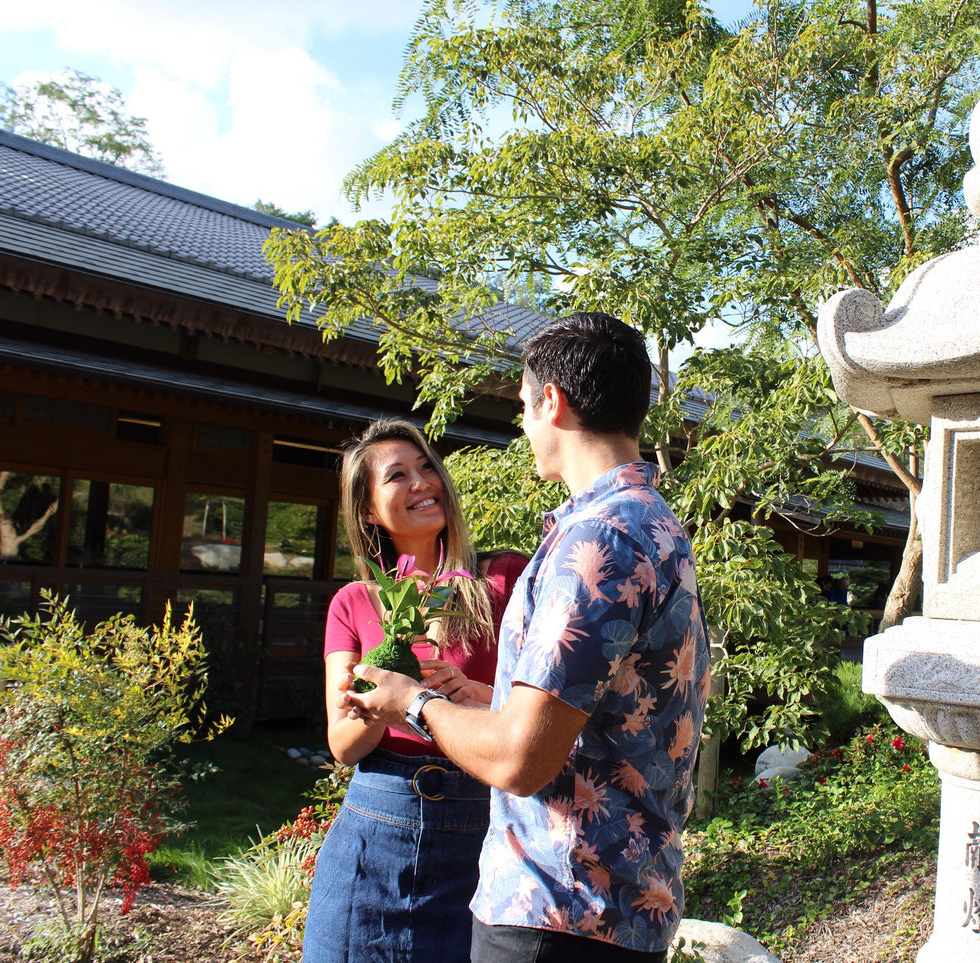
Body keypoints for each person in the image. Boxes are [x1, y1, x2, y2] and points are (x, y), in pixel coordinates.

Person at [345, 313, 712, 962]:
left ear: (553, 400)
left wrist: (414, 702)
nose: (523, 425)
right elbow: (600, 718)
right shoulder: (651, 523)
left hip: (558, 907)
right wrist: (492, 698)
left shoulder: (597, 541)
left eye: (522, 405)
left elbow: (520, 760)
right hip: (609, 907)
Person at [302, 418, 527, 963]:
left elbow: (542, 713)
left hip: (480, 823)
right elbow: (344, 743)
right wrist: (386, 696)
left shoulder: (504, 579)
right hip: (375, 823)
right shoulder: (354, 603)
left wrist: (476, 693)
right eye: (398, 475)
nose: (423, 481)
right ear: (367, 511)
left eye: (427, 466)